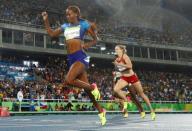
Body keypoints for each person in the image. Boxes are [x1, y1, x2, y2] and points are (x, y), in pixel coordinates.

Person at [42, 5, 106, 125]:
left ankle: (94, 87)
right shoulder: (65, 26)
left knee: (69, 80)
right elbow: (51, 34)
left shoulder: (83, 25)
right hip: (71, 58)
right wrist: (46, 20)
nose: (67, 16)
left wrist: (87, 45)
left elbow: (95, 39)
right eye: (66, 14)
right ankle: (101, 111)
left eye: (69, 14)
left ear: (76, 14)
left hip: (80, 56)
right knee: (86, 90)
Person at [113, 45, 156, 120]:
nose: (115, 50)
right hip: (124, 78)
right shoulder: (116, 60)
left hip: (132, 77)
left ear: (121, 50)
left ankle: (151, 111)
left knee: (141, 94)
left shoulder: (125, 56)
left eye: (117, 49)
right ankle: (125, 99)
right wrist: (117, 73)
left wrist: (119, 64)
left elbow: (130, 66)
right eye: (115, 49)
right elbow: (121, 70)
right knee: (116, 89)